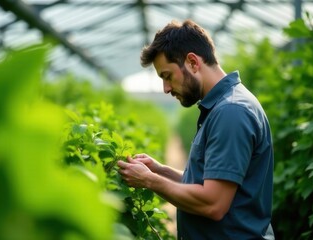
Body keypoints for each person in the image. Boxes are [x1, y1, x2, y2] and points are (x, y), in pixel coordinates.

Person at [117, 19, 275, 240]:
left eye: (167, 76)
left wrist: (149, 181)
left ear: (192, 62)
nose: (166, 88)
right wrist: (160, 170)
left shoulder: (231, 112)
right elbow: (209, 181)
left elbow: (213, 203)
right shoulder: (221, 107)